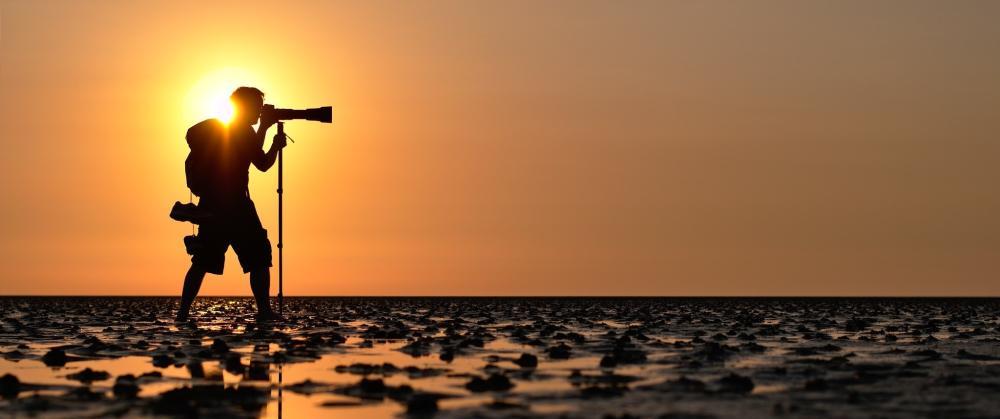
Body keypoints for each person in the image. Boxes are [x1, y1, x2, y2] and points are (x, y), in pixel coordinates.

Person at [176, 86, 286, 322]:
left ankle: (182, 313)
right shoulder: (243, 131)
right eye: (256, 107)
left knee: (202, 261)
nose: (259, 111)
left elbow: (250, 153)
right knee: (258, 257)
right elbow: (262, 163)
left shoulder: (226, 130)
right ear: (245, 107)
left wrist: (263, 129)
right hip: (237, 206)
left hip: (212, 206)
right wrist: (275, 145)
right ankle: (264, 311)